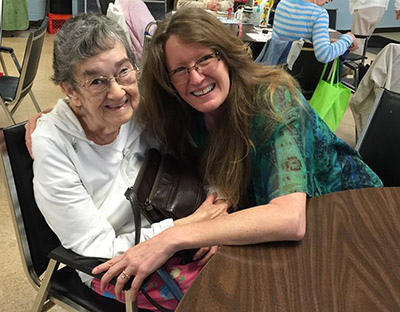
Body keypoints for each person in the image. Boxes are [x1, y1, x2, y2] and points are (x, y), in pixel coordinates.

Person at [92, 8, 383, 302]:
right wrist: (61, 118)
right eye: (180, 69)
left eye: (205, 58)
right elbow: (118, 97)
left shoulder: (273, 97)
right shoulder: (185, 110)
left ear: (226, 55)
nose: (195, 77)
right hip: (287, 234)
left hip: (352, 220)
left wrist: (172, 237)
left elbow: (288, 218)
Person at [30, 13, 228, 311]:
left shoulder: (143, 106)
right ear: (70, 90)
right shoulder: (53, 145)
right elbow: (98, 249)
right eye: (96, 81)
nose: (117, 91)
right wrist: (186, 229)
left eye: (123, 71)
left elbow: (199, 155)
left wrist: (216, 207)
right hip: (121, 264)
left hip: (176, 229)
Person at [272, 0, 359, 63]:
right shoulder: (318, 14)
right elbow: (324, 55)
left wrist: (326, 41)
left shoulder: (282, 4)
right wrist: (348, 38)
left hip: (276, 69)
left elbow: (295, 38)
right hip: (303, 74)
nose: (329, 1)